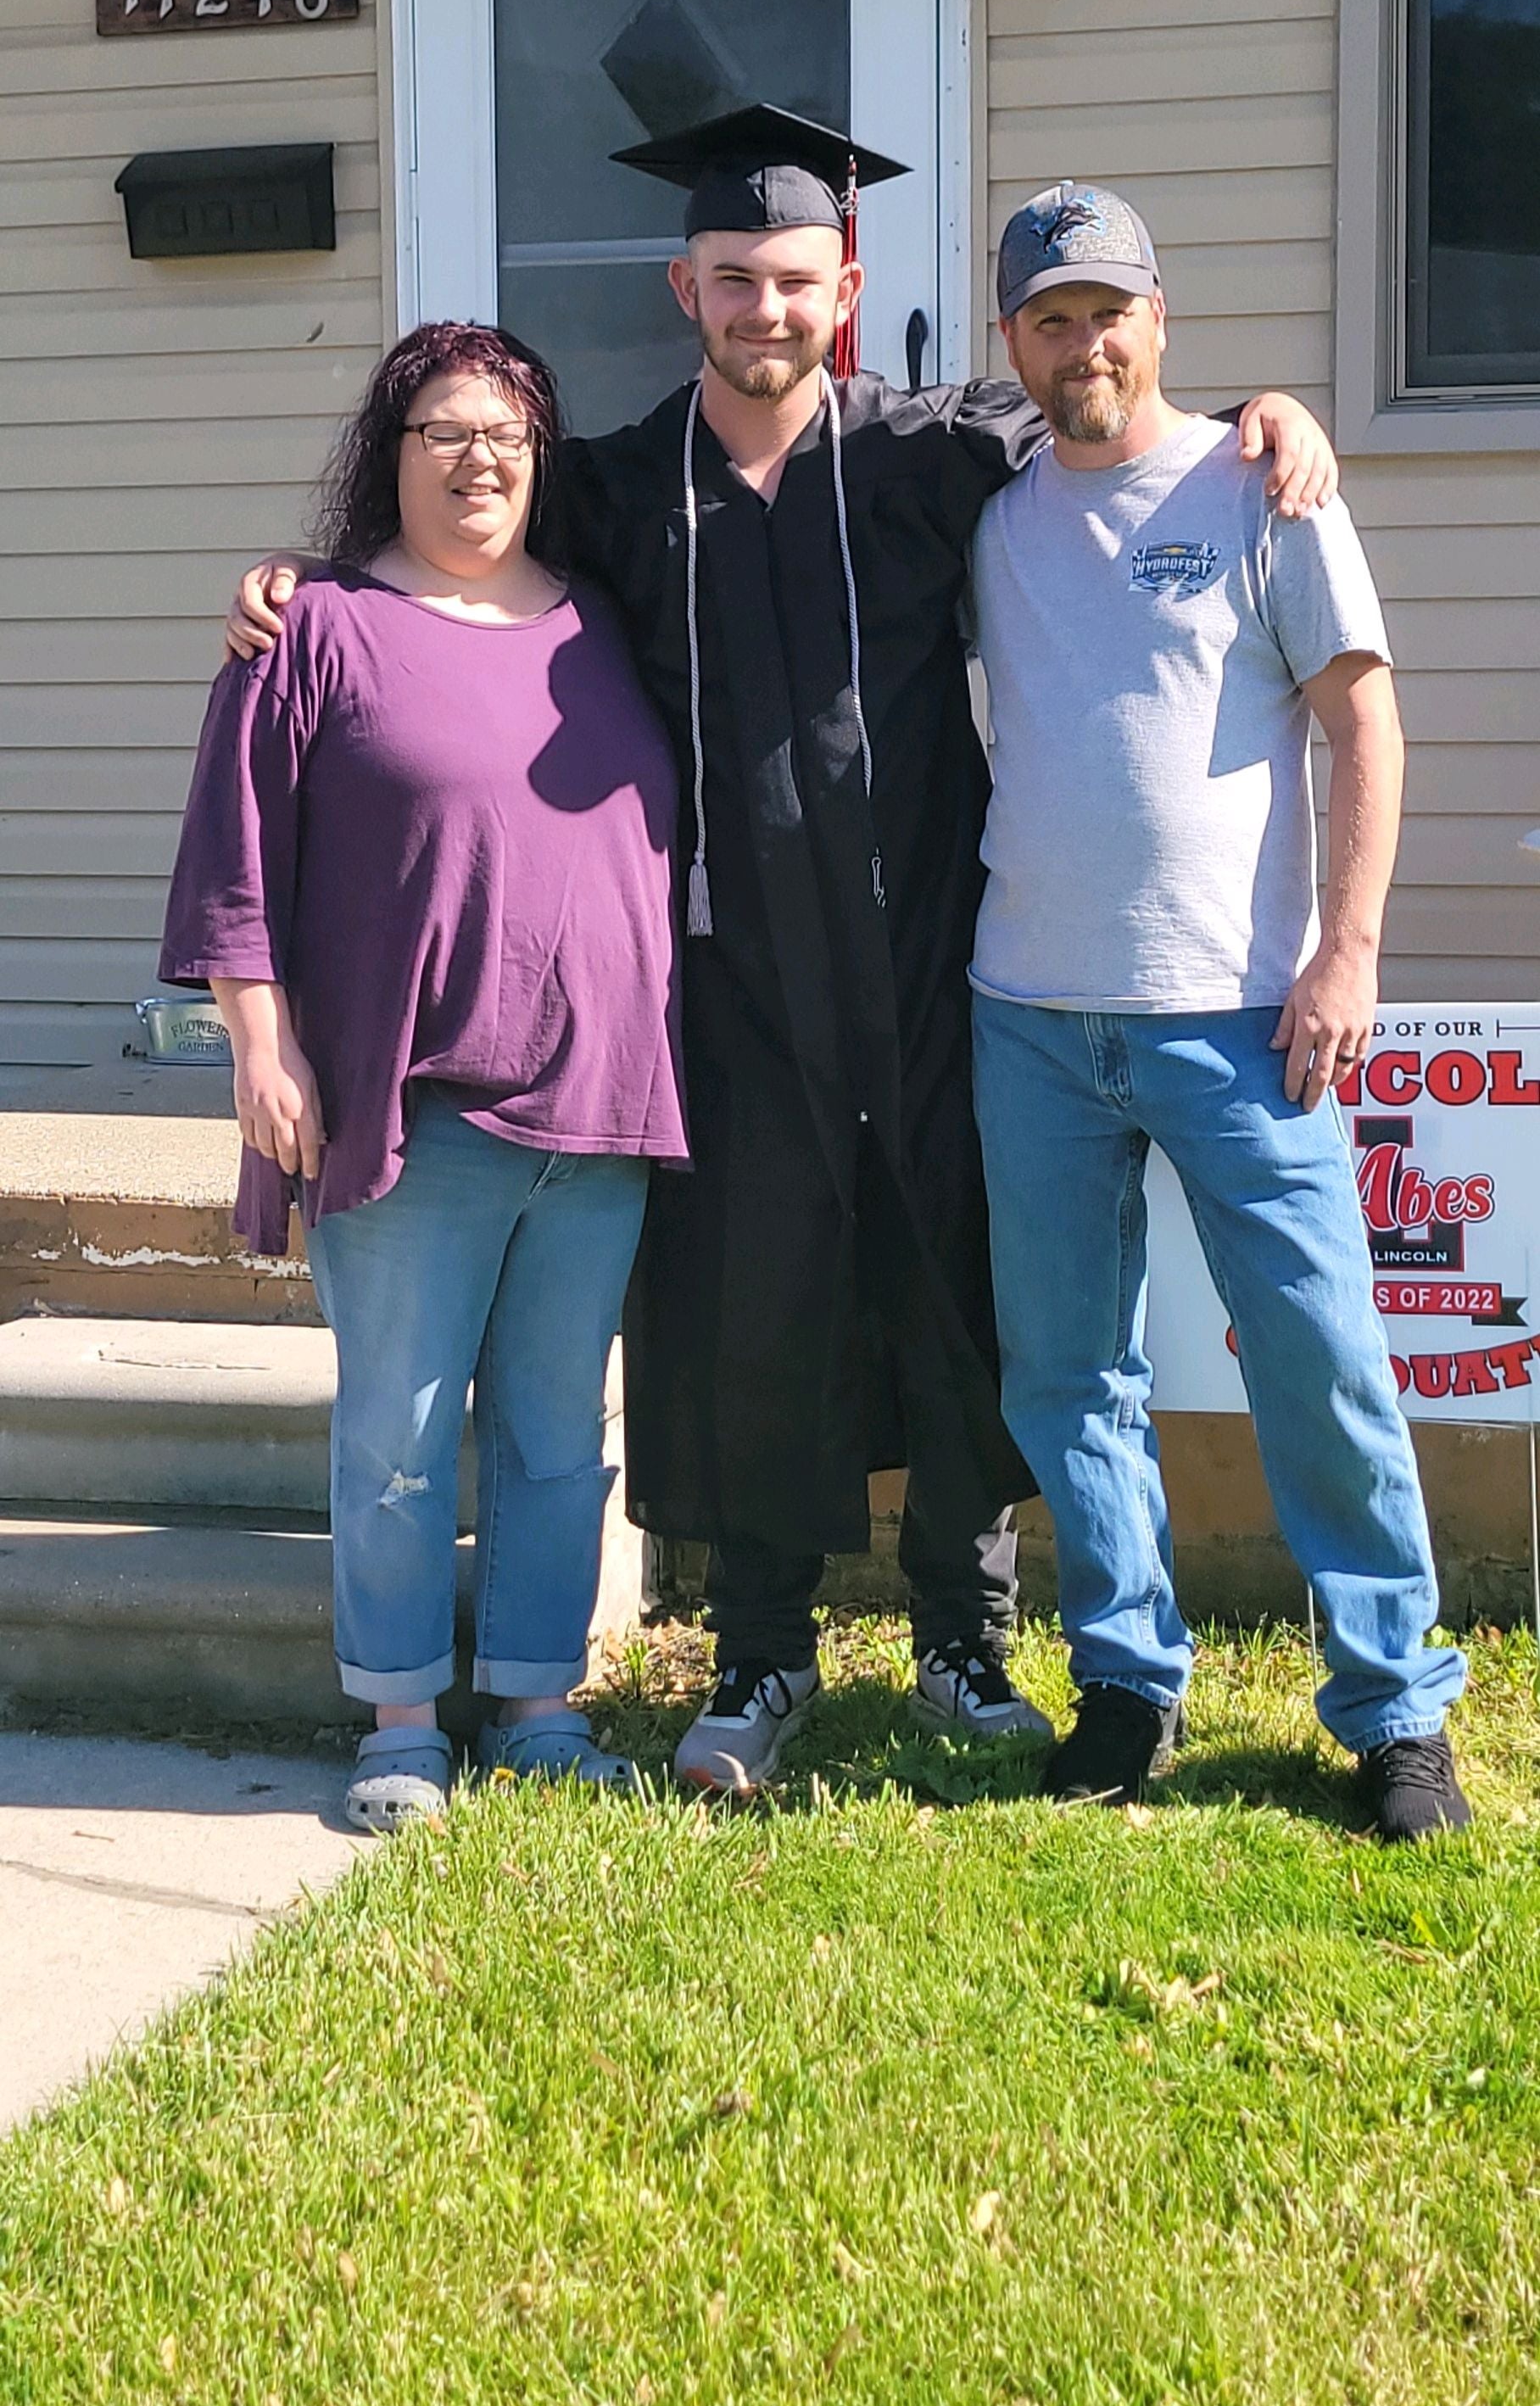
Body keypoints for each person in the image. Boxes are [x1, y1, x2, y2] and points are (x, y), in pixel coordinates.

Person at [224, 105, 1338, 1800]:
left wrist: (1268, 413)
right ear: (684, 288)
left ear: (846, 286)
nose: (764, 305)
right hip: (724, 993)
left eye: (794, 278)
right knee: (753, 1307)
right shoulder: (611, 484)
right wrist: (299, 580)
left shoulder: (938, 450)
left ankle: (963, 1640)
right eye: (732, 276)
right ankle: (758, 1650)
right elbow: (461, 556)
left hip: (941, 972)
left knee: (947, 1297)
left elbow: (1116, 419)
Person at [968, 183, 1470, 1842]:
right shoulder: (993, 510)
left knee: (1321, 1362)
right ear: (1012, 343)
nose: (1083, 341)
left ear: (1158, 317)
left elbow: (1361, 725)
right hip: (1027, 1016)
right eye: (1050, 317)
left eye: (1107, 310)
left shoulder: (1265, 487)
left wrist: (1347, 948)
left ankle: (1391, 1710)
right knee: (1067, 1374)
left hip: (1243, 1019)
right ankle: (1124, 1684)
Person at [162, 322, 688, 1833]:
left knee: (552, 1424)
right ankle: (400, 1718)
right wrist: (261, 1048)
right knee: (395, 1425)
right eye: (446, 431)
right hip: (410, 1105)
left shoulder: (603, 621)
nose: (480, 459)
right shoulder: (313, 628)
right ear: (390, 453)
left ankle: (533, 1698)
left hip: (595, 1104)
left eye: (510, 434)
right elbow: (238, 861)